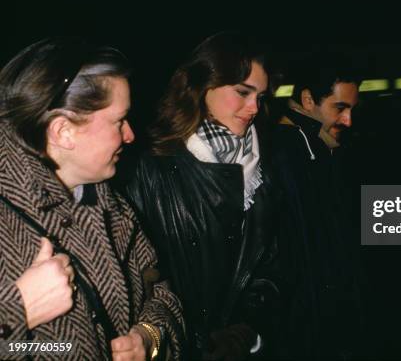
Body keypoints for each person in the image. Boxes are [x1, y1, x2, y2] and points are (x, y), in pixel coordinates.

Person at [0, 37, 185, 360]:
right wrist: (17, 311)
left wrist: (149, 338)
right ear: (63, 132)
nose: (130, 135)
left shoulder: (115, 207)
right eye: (119, 121)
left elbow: (162, 295)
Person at [125, 32, 280, 361]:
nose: (254, 107)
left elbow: (270, 262)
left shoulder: (263, 167)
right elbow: (143, 278)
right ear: (203, 85)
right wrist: (193, 341)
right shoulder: (150, 166)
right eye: (242, 92)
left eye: (260, 96)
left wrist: (247, 331)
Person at [272, 52, 364, 360]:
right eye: (339, 107)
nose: (348, 120)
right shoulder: (291, 152)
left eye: (352, 109)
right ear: (308, 99)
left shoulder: (321, 147)